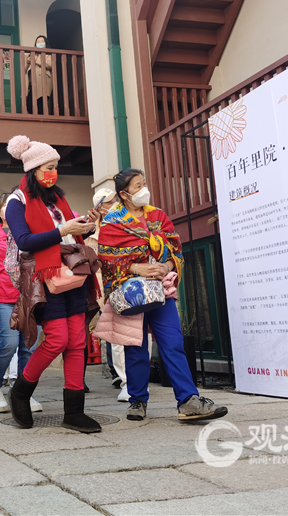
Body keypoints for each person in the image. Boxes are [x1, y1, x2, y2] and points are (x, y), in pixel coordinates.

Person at [97, 167, 228, 422]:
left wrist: (166, 266)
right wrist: (137, 267)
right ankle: (137, 401)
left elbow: (176, 249)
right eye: (138, 186)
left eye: (144, 183)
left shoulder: (158, 216)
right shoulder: (112, 222)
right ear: (124, 194)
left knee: (173, 343)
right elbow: (107, 259)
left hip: (161, 291)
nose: (143, 189)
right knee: (135, 347)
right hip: (131, 292)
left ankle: (188, 400)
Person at [5, 136, 102, 433]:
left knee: (77, 341)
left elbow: (70, 235)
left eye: (56, 167)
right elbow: (24, 241)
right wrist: (63, 229)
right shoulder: (16, 201)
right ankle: (20, 392)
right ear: (33, 170)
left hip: (72, 273)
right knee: (58, 339)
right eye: (49, 167)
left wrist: (88, 225)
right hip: (45, 278)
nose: (54, 173)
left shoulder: (57, 199)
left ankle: (74, 411)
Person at [0, 194, 41, 414]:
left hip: (30, 298)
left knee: (29, 347)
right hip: (3, 299)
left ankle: (23, 392)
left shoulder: (30, 234)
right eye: (5, 206)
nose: (10, 209)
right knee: (9, 344)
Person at [84, 189, 128, 402]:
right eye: (110, 203)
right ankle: (125, 381)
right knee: (118, 335)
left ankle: (136, 378)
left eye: (116, 201)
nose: (115, 205)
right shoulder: (91, 235)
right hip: (107, 289)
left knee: (138, 335)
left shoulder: (128, 221)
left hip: (130, 282)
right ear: (100, 207)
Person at [24, 35, 54, 115]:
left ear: (46, 43)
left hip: (43, 83)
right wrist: (28, 62)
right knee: (30, 106)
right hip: (32, 85)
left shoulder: (49, 55)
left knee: (42, 105)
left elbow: (49, 64)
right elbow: (25, 70)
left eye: (42, 41)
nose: (40, 43)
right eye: (38, 42)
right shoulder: (32, 55)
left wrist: (35, 59)